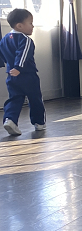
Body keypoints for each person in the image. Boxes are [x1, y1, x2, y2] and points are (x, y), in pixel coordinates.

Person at [0, 8, 45, 136]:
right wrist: (18, 68)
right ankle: (39, 123)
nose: (33, 26)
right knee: (35, 98)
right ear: (19, 26)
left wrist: (11, 68)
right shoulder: (25, 39)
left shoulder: (5, 39)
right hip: (27, 75)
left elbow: (2, 54)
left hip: (11, 76)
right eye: (30, 23)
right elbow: (23, 54)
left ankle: (10, 120)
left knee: (14, 98)